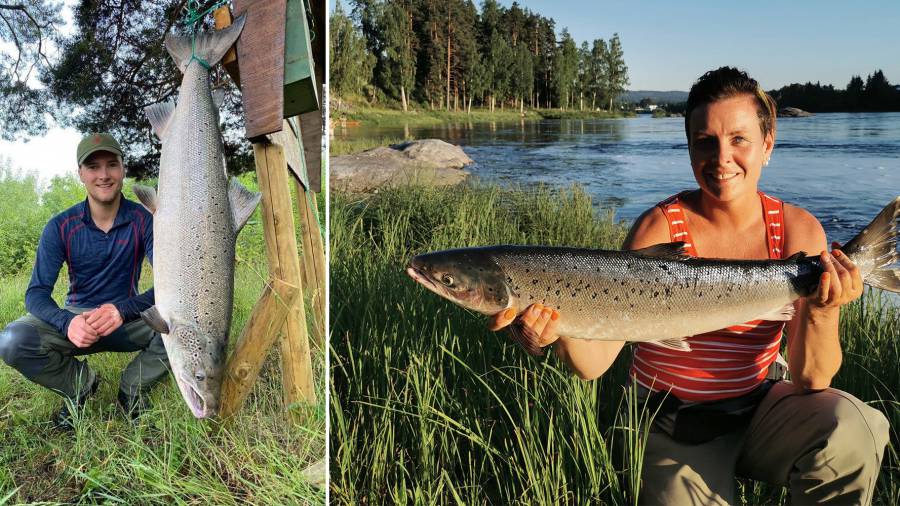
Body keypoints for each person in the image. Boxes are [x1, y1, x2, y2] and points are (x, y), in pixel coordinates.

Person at [489, 67, 890, 505]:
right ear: (689, 148)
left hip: (760, 405)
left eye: (739, 139)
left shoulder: (797, 230)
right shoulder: (658, 228)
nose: (721, 157)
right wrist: (557, 329)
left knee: (854, 428)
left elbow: (813, 378)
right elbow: (594, 364)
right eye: (705, 141)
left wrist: (824, 310)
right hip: (670, 422)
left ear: (767, 146)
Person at [0, 132, 168, 430]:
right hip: (79, 320)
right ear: (80, 173)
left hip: (127, 319)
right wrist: (67, 322)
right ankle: (80, 385)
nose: (103, 175)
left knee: (184, 325)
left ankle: (132, 389)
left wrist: (122, 310)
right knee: (12, 341)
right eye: (93, 167)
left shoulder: (145, 220)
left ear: (123, 169)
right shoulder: (60, 226)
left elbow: (171, 286)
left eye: (111, 164)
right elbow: (36, 294)